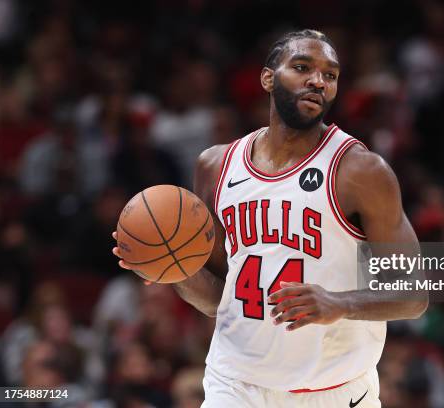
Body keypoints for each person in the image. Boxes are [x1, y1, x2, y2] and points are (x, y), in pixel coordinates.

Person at [113, 29, 427, 407]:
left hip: (333, 390)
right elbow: (220, 298)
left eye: (330, 75)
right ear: (267, 78)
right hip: (236, 384)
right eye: (302, 67)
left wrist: (341, 303)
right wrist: (172, 267)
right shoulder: (215, 166)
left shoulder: (360, 172)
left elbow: (413, 294)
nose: (318, 80)